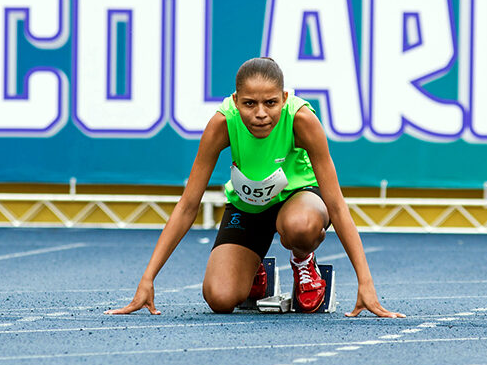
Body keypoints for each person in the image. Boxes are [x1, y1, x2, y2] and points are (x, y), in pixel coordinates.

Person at [107, 57, 402, 318]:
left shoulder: (302, 120)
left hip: (299, 201)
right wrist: (148, 278)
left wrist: (365, 283)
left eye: (270, 103)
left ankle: (303, 260)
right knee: (219, 299)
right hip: (249, 206)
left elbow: (336, 204)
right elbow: (188, 205)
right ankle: (254, 268)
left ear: (284, 98)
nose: (261, 113)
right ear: (236, 101)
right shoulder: (222, 123)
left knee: (300, 226)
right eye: (250, 104)